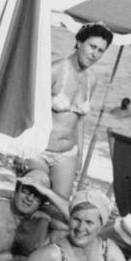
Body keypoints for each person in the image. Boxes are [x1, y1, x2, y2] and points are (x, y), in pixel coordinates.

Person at [26, 23, 113, 197]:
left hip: (67, 154)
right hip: (39, 151)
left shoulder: (92, 80)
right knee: (36, 199)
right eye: (92, 46)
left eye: (101, 50)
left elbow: (79, 121)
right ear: (80, 42)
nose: (94, 54)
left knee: (59, 212)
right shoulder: (54, 70)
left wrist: (79, 154)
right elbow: (29, 110)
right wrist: (23, 148)